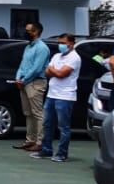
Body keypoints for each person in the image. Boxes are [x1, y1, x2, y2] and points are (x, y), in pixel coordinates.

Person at [34, 33, 82, 163]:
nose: (60, 45)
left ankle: (62, 153)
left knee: (63, 127)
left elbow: (61, 74)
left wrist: (52, 69)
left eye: (63, 43)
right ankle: (46, 149)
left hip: (65, 96)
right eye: (59, 42)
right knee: (47, 123)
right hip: (52, 94)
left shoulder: (74, 58)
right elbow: (47, 71)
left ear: (71, 44)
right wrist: (53, 70)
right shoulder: (56, 56)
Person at [12, 21, 51, 151]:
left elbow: (36, 68)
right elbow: (22, 65)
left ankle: (40, 142)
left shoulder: (42, 48)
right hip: (24, 82)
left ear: (36, 32)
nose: (26, 32)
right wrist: (18, 78)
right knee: (28, 113)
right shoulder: (28, 47)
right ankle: (30, 140)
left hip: (36, 83)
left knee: (37, 113)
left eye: (28, 30)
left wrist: (24, 80)